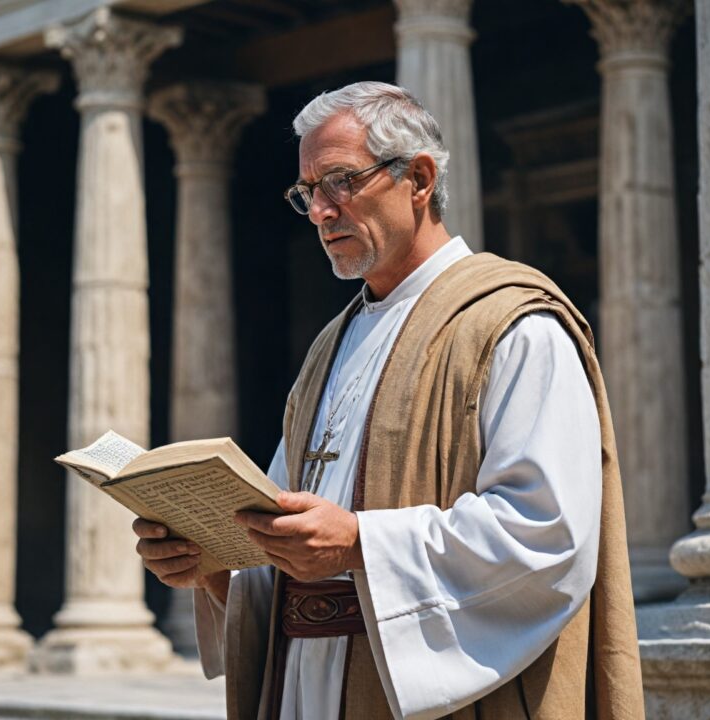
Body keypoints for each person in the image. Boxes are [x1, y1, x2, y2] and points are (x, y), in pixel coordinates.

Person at [133, 81, 644, 720]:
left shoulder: (514, 325)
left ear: (419, 179)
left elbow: (546, 532)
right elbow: (282, 532)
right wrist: (213, 565)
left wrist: (359, 544)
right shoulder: (332, 345)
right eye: (308, 192)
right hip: (302, 688)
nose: (320, 211)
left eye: (341, 181)